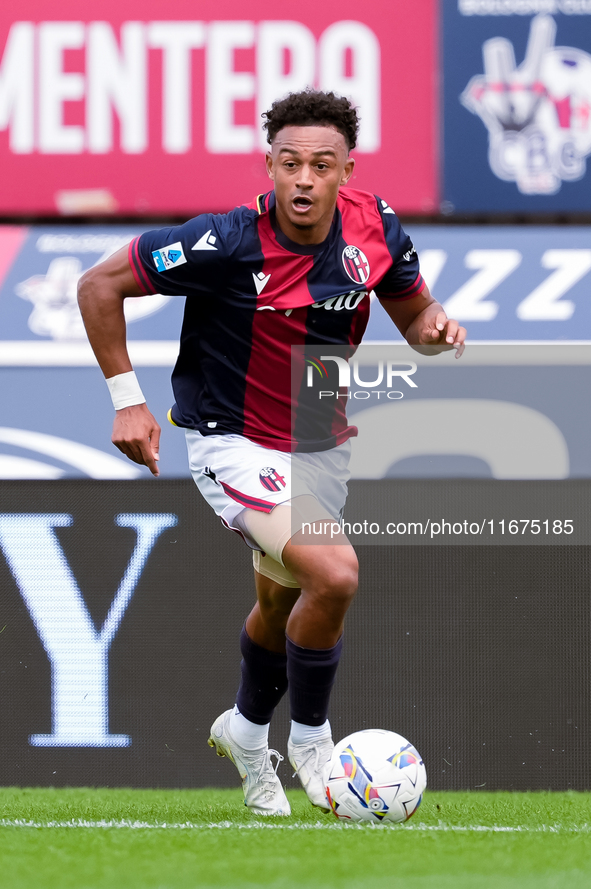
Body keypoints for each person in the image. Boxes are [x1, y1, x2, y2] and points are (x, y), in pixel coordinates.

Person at [78, 90, 466, 818]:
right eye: (290, 163)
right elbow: (98, 284)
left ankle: (247, 733)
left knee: (282, 599)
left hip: (318, 436)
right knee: (336, 570)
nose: (304, 179)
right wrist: (126, 399)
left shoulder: (374, 226)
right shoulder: (226, 241)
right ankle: (311, 739)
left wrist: (435, 326)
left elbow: (413, 318)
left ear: (346, 170)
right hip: (231, 438)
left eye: (322, 165)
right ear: (269, 165)